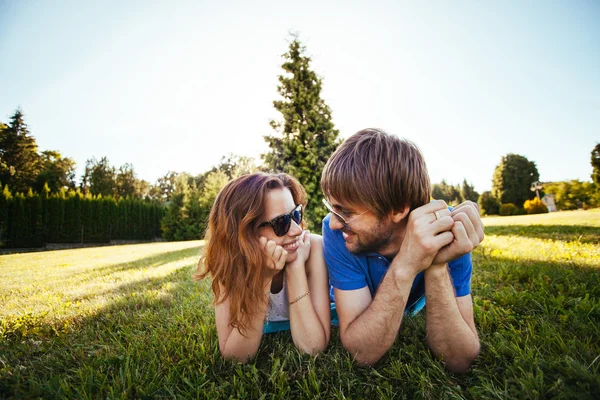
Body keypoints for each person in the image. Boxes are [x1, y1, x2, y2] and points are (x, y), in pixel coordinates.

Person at [320, 128, 484, 372]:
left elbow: (459, 360)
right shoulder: (337, 232)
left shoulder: (447, 229)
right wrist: (407, 263)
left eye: (346, 212)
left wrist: (436, 264)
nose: (334, 222)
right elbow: (361, 352)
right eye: (332, 208)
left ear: (398, 209)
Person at [195, 172, 331, 363]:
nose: (297, 230)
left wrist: (295, 267)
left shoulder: (313, 247)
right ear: (244, 234)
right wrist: (263, 278)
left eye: (296, 214)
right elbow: (235, 357)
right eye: (281, 223)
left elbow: (312, 348)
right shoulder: (230, 264)